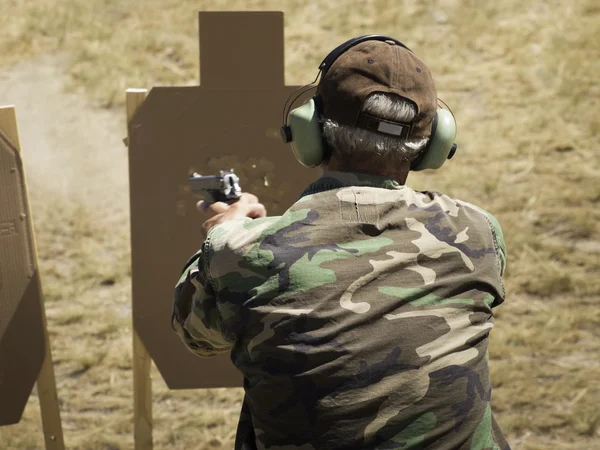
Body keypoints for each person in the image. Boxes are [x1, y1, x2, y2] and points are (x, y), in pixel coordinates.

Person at [172, 36, 510, 450]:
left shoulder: (240, 251)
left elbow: (197, 336)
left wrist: (222, 236)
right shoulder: (477, 231)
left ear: (310, 129)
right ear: (435, 143)